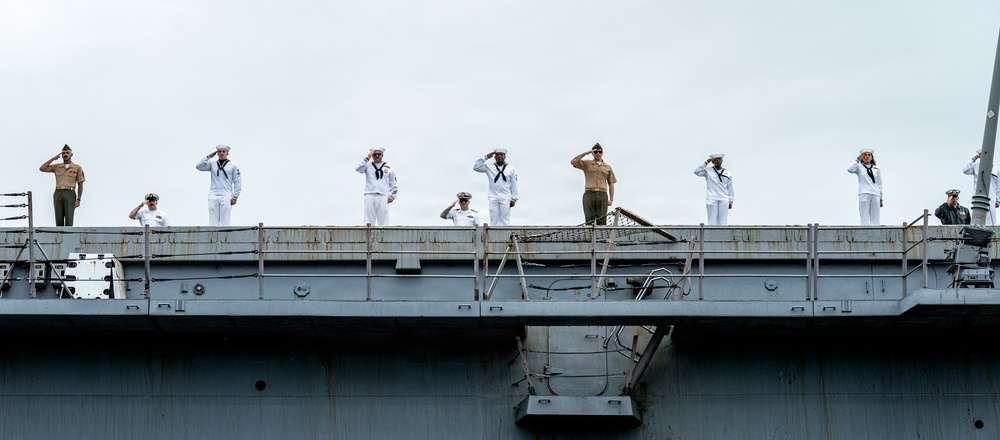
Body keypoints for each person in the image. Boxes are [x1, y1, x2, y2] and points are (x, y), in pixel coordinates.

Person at [39, 144, 85, 226]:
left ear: (71, 154)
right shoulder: (57, 167)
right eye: (63, 153)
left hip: (70, 193)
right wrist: (53, 159)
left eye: (67, 153)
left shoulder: (77, 167)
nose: (65, 154)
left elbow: (80, 184)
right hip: (58, 192)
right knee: (58, 217)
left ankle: (68, 236)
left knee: (69, 217)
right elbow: (42, 168)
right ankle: (59, 236)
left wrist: (78, 199)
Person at [195, 145, 242, 226]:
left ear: (227, 153)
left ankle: (225, 238)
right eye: (219, 151)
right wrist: (209, 156)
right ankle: (212, 237)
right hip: (213, 194)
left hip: (226, 194)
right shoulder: (213, 164)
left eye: (224, 151)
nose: (221, 153)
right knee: (213, 220)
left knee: (225, 220)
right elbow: (199, 166)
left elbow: (238, 181)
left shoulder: (233, 165)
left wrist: (235, 196)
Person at [570, 143, 616, 225]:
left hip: (602, 194)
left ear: (602, 153)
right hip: (589, 193)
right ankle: (590, 237)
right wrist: (585, 153)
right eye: (595, 152)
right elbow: (573, 162)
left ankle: (601, 238)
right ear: (592, 153)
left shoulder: (607, 167)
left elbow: (611, 183)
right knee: (589, 220)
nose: (598, 153)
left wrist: (611, 199)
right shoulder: (587, 164)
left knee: (602, 220)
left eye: (599, 152)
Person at [473, 148, 519, 226]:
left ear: (505, 156)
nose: (499, 156)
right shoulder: (489, 167)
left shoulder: (511, 169)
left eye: (501, 154)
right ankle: (494, 237)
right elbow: (476, 167)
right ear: (494, 157)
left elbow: (514, 184)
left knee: (505, 219)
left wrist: (514, 198)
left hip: (506, 196)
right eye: (497, 155)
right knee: (494, 219)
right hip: (493, 196)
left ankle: (505, 237)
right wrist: (486, 157)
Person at [355, 147, 398, 226]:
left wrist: (393, 196)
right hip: (370, 194)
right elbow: (358, 169)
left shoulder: (388, 167)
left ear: (382, 155)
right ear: (372, 156)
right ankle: (368, 236)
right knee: (368, 218)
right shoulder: (367, 166)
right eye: (375, 154)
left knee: (384, 218)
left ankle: (383, 236)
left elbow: (393, 182)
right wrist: (367, 158)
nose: (377, 156)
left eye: (379, 154)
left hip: (383, 195)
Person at [693, 153, 735, 225]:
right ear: (712, 161)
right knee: (712, 221)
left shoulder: (727, 173)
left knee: (723, 221)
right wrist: (706, 162)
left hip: (724, 198)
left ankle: (722, 235)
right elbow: (696, 171)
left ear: (722, 161)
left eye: (719, 159)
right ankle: (712, 235)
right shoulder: (708, 171)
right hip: (712, 198)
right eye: (715, 160)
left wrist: (731, 201)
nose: (717, 161)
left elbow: (730, 187)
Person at [962, 150, 1000, 224]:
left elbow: (998, 185)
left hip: (991, 197)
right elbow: (965, 170)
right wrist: (973, 159)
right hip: (978, 197)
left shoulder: (996, 169)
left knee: (991, 220)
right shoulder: (975, 166)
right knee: (978, 217)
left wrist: (998, 200)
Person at [847, 148, 883, 225]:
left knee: (875, 217)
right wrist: (857, 160)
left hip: (875, 193)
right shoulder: (859, 167)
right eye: (865, 155)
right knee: (864, 215)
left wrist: (881, 197)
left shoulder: (876, 168)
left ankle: (875, 231)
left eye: (869, 155)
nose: (867, 156)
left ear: (871, 157)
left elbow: (879, 183)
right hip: (864, 192)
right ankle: (864, 229)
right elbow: (849, 169)